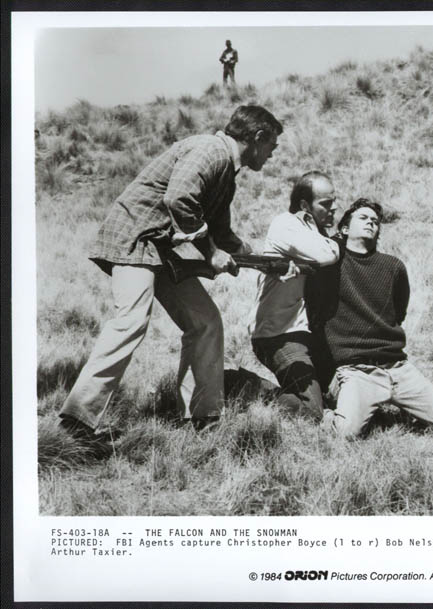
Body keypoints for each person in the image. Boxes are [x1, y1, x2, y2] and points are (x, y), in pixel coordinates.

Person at [59, 104, 283, 453]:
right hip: (135, 237)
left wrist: (261, 260)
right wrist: (210, 253)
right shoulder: (210, 150)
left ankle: (201, 417)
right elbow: (179, 198)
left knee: (205, 321)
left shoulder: (226, 172)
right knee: (131, 321)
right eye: (272, 145)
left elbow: (221, 232)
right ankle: (76, 421)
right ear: (257, 137)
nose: (272, 154)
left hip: (160, 250)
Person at [308, 199, 433, 438]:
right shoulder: (329, 266)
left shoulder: (393, 267)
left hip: (398, 368)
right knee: (345, 434)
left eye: (375, 221)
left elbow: (399, 312)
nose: (371, 222)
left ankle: (395, 407)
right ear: (345, 228)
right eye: (363, 218)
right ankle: (331, 409)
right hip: (357, 370)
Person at [248, 171, 340, 421]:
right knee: (311, 411)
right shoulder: (286, 224)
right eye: (326, 203)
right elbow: (327, 255)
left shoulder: (314, 232)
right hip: (279, 336)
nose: (333, 208)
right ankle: (240, 385)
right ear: (304, 206)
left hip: (308, 335)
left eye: (334, 201)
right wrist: (335, 240)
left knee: (332, 397)